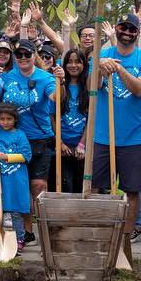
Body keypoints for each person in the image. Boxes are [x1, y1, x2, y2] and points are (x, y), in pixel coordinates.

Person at [93, 12, 141, 255]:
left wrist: (118, 70)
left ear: (137, 33)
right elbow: (93, 86)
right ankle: (102, 235)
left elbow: (140, 89)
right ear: (117, 29)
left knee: (132, 190)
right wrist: (99, 68)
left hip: (134, 138)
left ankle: (125, 241)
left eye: (132, 29)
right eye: (123, 28)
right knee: (97, 189)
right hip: (103, 136)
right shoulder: (102, 56)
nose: (127, 32)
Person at [0, 38, 57, 244]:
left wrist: (60, 84)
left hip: (40, 139)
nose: (23, 58)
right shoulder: (7, 78)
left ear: (34, 56)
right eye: (19, 55)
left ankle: (45, 228)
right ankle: (27, 230)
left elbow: (56, 98)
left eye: (27, 54)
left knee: (38, 186)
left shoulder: (45, 78)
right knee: (21, 187)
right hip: (15, 139)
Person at [0, 102, 31, 244]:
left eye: (9, 119)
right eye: (2, 119)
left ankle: (19, 240)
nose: (5, 122)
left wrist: (7, 157)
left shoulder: (20, 135)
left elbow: (26, 156)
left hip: (15, 181)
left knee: (15, 212)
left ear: (15, 119)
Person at [55, 48, 89, 194]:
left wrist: (82, 144)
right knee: (65, 186)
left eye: (77, 62)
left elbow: (91, 119)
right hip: (63, 146)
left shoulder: (89, 88)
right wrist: (60, 143)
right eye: (69, 62)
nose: (73, 65)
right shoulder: (58, 85)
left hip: (83, 146)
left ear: (84, 65)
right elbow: (52, 116)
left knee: (80, 187)